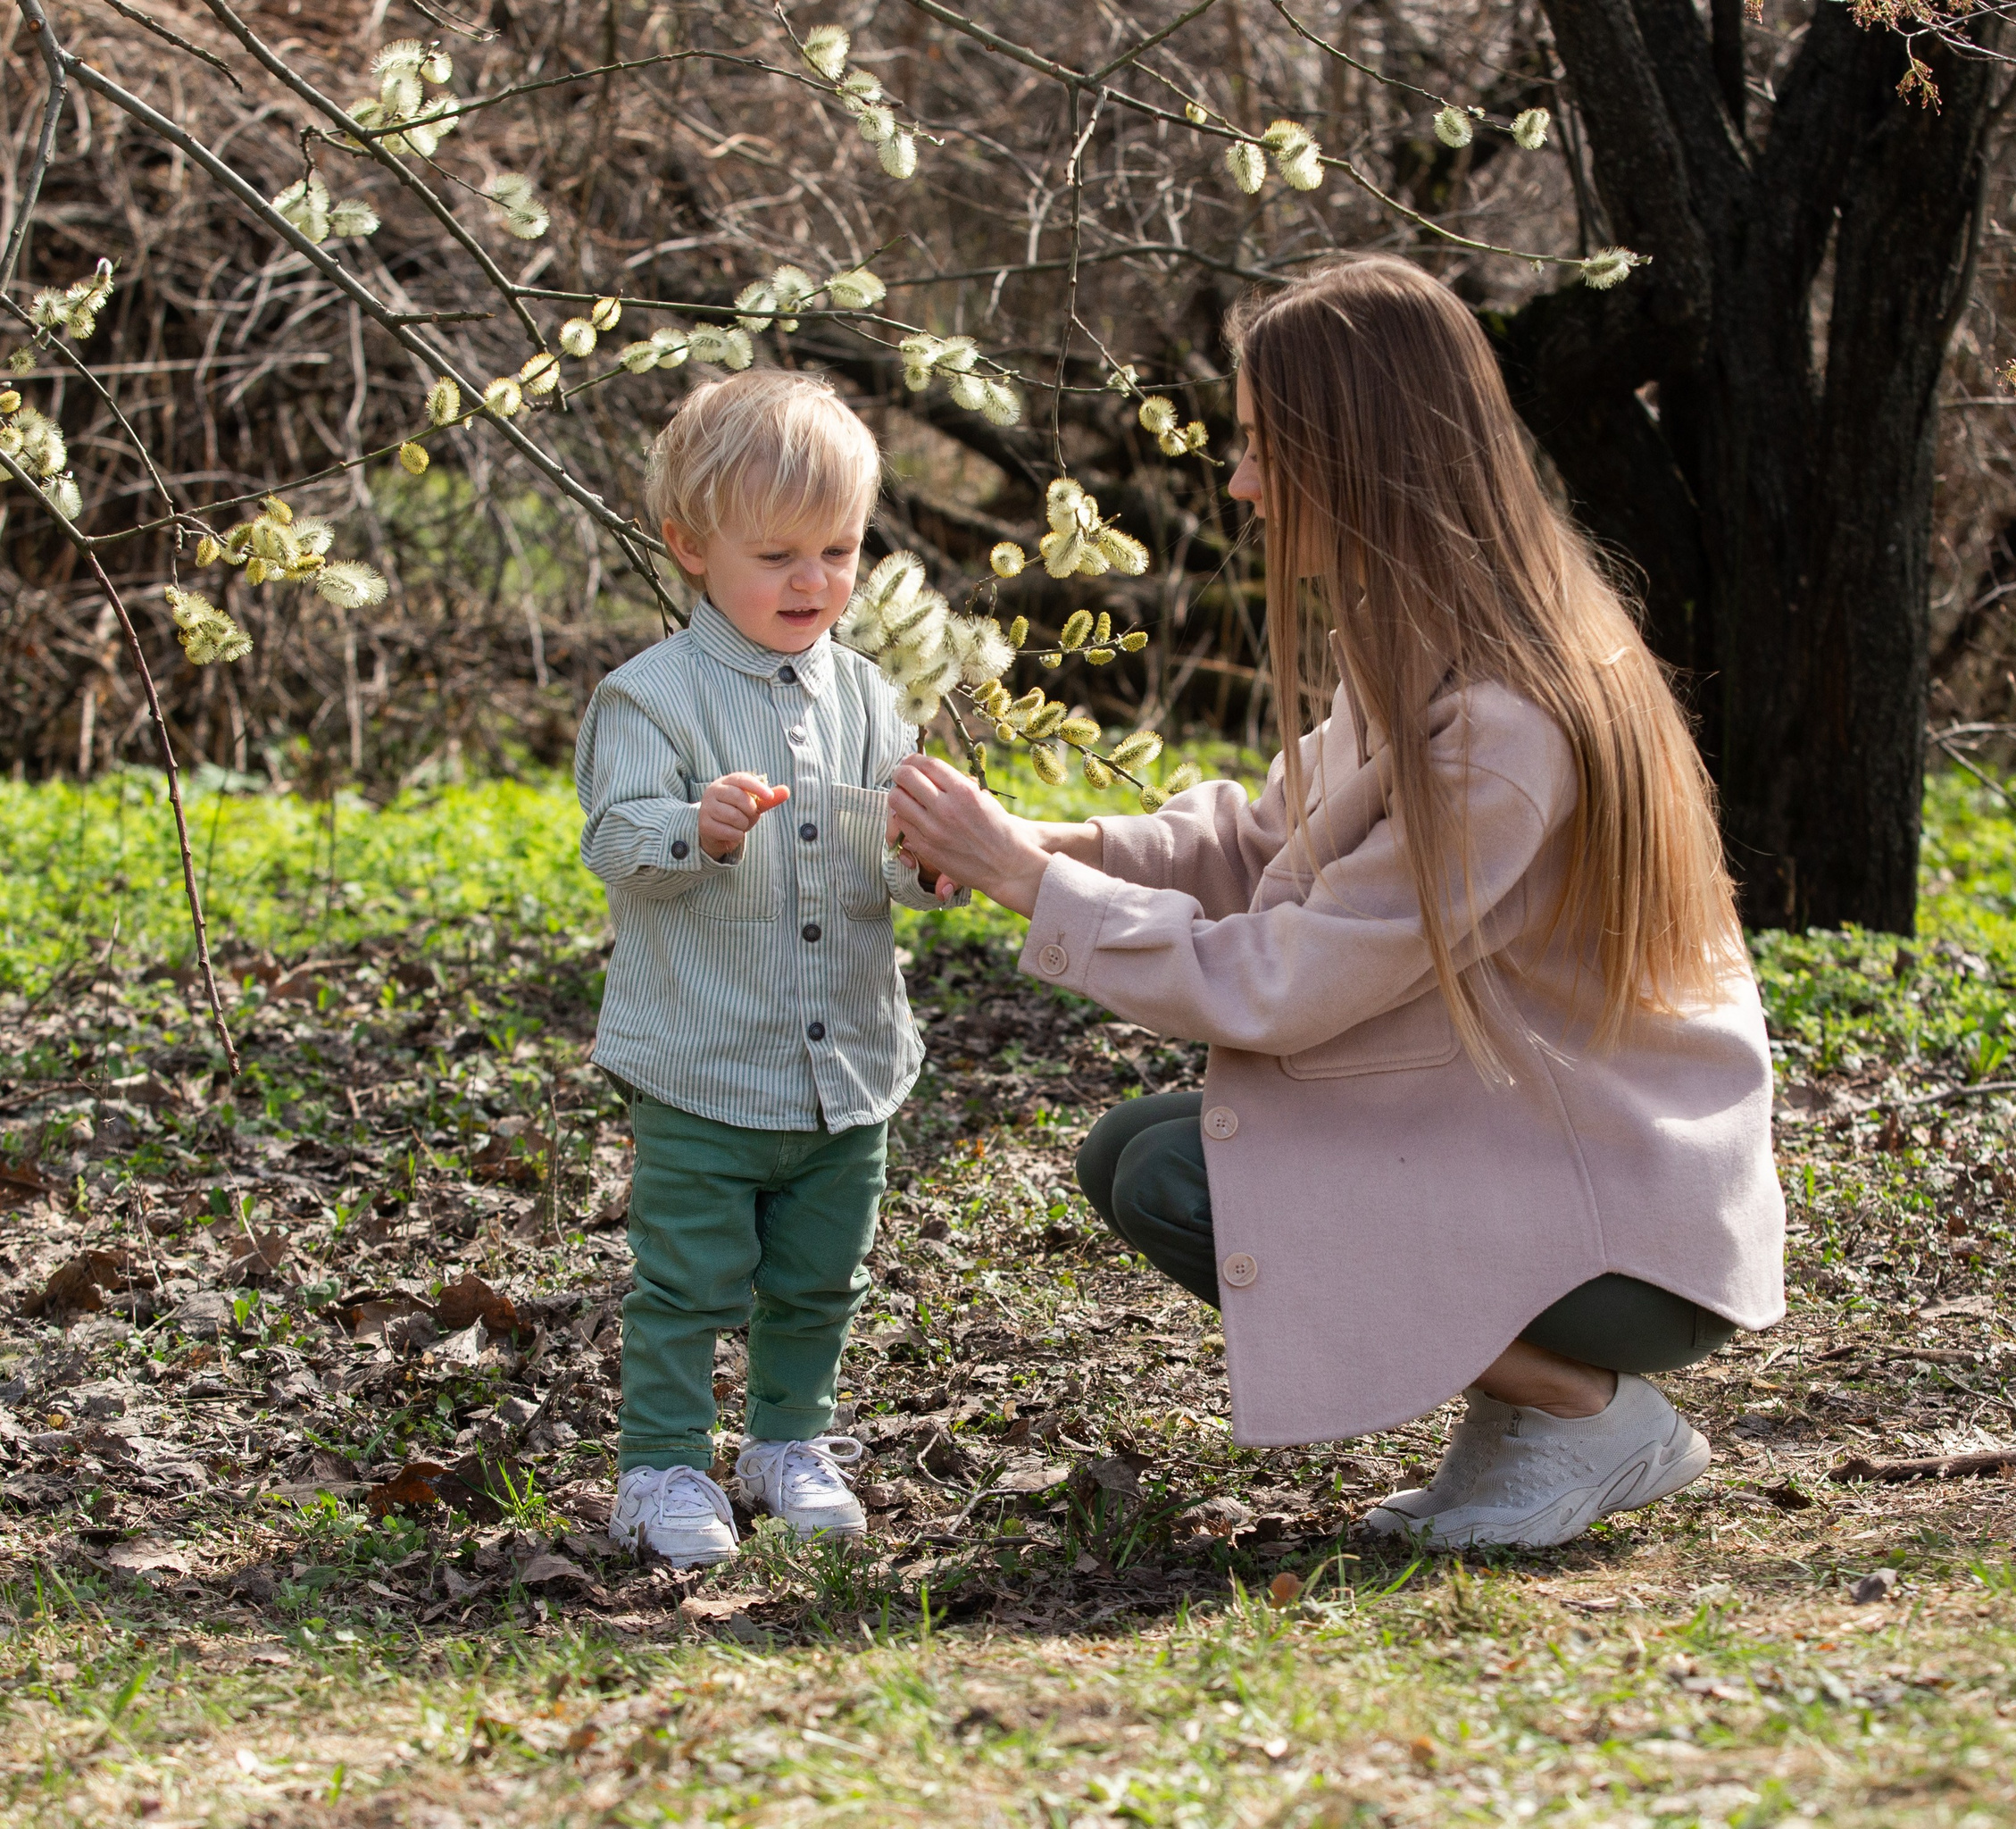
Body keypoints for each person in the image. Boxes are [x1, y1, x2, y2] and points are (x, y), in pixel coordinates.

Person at [887, 255, 1786, 1548]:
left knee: (1191, 1183)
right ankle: (1535, 1417)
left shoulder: (1505, 719)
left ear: (1363, 452)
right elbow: (1265, 839)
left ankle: (1587, 1404)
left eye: (1264, 446)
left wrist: (1033, 884)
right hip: (1538, 1148)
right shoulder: (1429, 633)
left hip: (1626, 1224)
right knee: (1143, 1150)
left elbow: (1290, 986)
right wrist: (1040, 840)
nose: (1242, 483)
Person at [575, 368, 953, 1566]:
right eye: (779, 554)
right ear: (691, 549)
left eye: (839, 551)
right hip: (702, 1060)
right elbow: (614, 840)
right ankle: (665, 1464)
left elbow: (886, 852)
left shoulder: (869, 698)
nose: (814, 583)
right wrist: (696, 825)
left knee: (820, 1281)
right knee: (687, 1281)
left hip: (845, 1063)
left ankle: (789, 1441)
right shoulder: (650, 699)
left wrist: (930, 861)